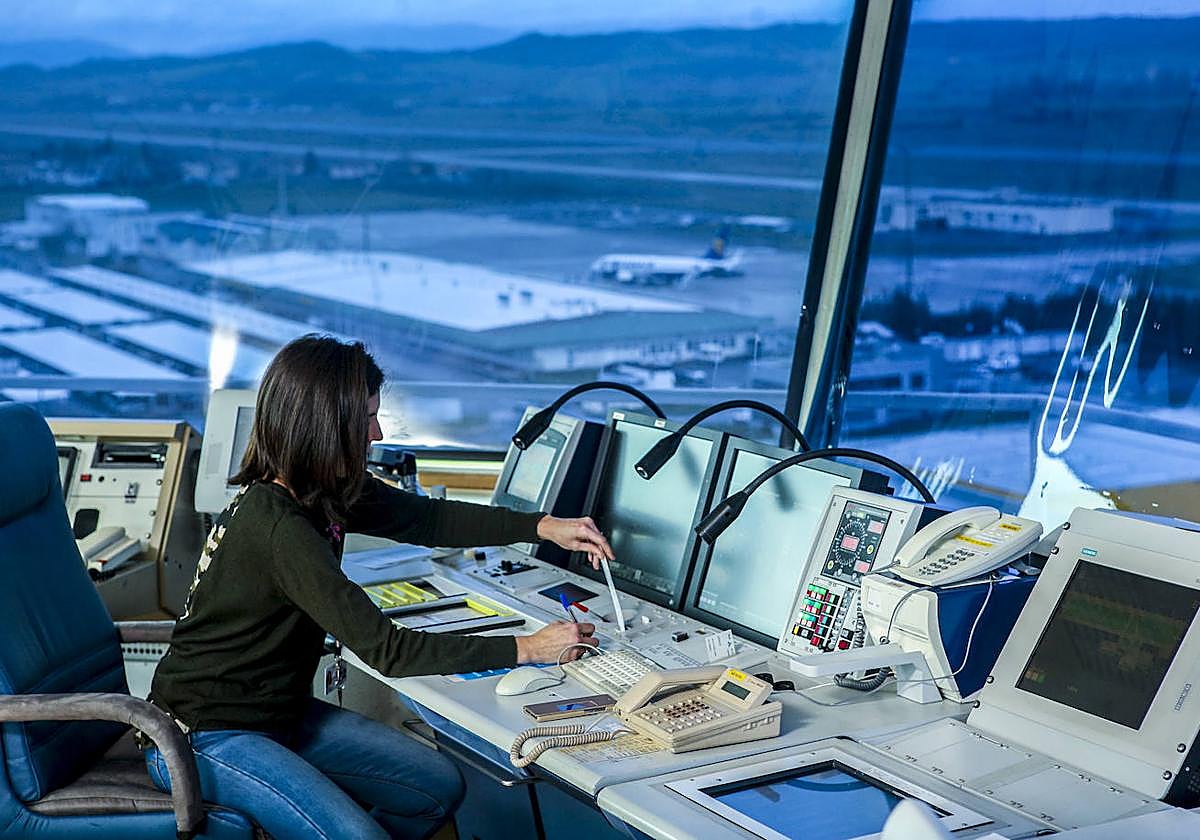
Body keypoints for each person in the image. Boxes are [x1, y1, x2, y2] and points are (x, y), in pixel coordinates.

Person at [143, 335, 615, 840]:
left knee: (435, 786)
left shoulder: (322, 491)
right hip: (202, 736)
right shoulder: (280, 527)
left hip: (275, 715)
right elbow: (388, 650)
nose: (378, 431)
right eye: (367, 418)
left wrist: (542, 526)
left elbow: (427, 519)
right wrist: (530, 648)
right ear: (327, 427)